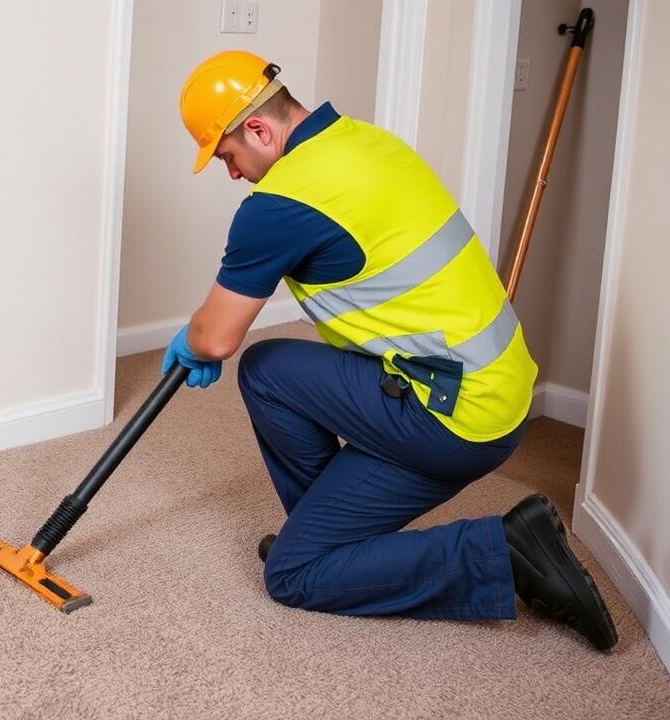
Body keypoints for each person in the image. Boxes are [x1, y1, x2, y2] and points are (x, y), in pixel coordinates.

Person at [161, 50, 617, 651]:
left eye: (228, 157)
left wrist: (191, 337)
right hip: (496, 390)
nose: (233, 173)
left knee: (292, 575)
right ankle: (328, 536)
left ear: (259, 130)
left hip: (454, 414)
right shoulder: (368, 143)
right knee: (268, 366)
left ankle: (505, 552)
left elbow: (216, 337)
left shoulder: (278, 206)